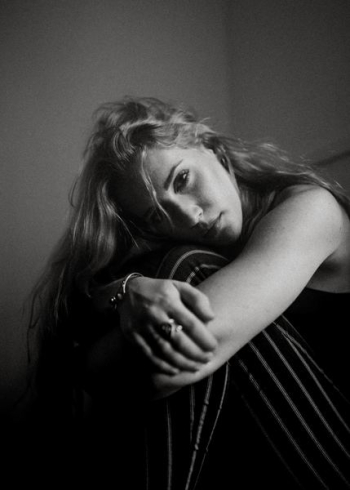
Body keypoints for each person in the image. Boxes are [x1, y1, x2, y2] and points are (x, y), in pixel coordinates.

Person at [24, 97, 350, 488]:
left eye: (182, 180)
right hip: (276, 453)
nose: (188, 217)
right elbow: (90, 372)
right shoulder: (200, 257)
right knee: (174, 279)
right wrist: (131, 288)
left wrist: (128, 310)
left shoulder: (311, 209)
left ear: (213, 151)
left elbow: (160, 370)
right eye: (157, 217)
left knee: (187, 269)